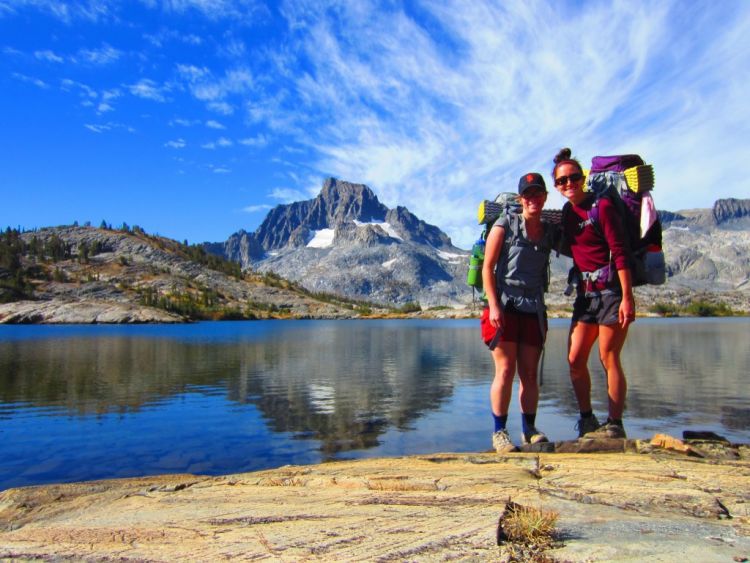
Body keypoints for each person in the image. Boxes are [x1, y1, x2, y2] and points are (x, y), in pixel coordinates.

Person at [552, 148, 635, 439]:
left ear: (583, 178)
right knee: (575, 360)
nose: (569, 183)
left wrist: (627, 296)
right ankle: (587, 419)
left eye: (574, 177)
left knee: (608, 357)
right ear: (556, 186)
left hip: (611, 292)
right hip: (585, 297)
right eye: (562, 181)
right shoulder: (566, 213)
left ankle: (615, 423)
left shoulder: (602, 207)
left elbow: (621, 252)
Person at [481, 172, 555, 453]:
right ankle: (499, 432)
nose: (533, 199)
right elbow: (488, 268)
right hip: (505, 305)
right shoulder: (504, 225)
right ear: (521, 198)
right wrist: (494, 305)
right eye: (528, 194)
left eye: (538, 194)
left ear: (545, 197)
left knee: (529, 374)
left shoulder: (548, 231)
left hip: (533, 308)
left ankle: (529, 430)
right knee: (505, 370)